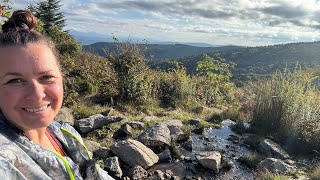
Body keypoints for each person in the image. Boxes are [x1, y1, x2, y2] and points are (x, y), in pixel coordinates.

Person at [0, 10, 114, 180]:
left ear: (61, 78)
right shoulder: (6, 157)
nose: (37, 94)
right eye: (15, 80)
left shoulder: (65, 133)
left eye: (46, 77)